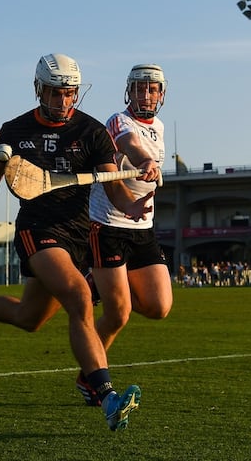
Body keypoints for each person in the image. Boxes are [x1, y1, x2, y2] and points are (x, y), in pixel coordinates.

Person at [0, 53, 153, 431]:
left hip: (78, 232)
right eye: (54, 93)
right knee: (79, 297)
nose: (61, 101)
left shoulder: (92, 132)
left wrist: (132, 204)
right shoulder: (16, 131)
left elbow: (111, 184)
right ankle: (105, 396)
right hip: (37, 228)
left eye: (68, 94)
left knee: (30, 318)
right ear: (39, 89)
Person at [81, 63, 172, 407]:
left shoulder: (160, 126)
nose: (145, 94)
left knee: (159, 306)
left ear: (161, 94)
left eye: (152, 89)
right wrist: (144, 159)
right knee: (119, 313)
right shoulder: (118, 121)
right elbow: (128, 144)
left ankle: (97, 283)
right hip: (108, 225)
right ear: (128, 91)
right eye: (138, 88)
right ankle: (90, 377)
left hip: (142, 229)